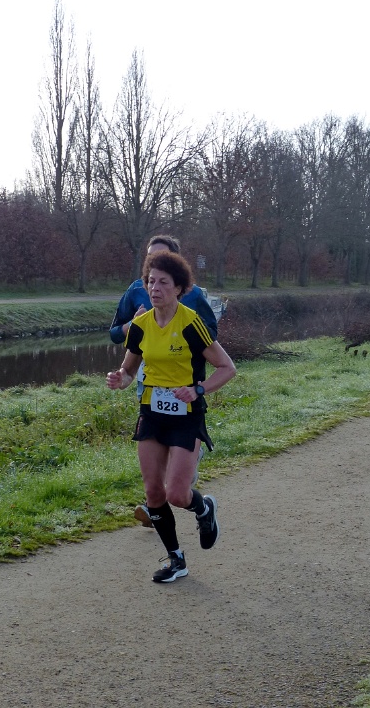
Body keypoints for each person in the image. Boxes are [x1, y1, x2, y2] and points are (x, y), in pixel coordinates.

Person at [106, 250, 236, 583]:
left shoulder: (191, 323)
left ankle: (203, 508)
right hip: (151, 412)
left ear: (179, 288)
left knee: (177, 494)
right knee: (154, 493)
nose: (155, 288)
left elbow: (227, 368)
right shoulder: (140, 325)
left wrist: (198, 389)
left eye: (163, 282)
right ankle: (176, 559)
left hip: (186, 416)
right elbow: (129, 369)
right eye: (151, 282)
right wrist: (120, 379)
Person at [110, 235, 218, 526]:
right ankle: (155, 504)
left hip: (183, 384)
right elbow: (116, 333)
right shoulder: (136, 290)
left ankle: (180, 484)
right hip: (148, 384)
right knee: (154, 468)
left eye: (159, 256)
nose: (154, 285)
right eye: (149, 259)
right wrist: (132, 325)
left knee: (176, 485)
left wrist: (184, 346)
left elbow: (210, 334)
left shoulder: (193, 296)